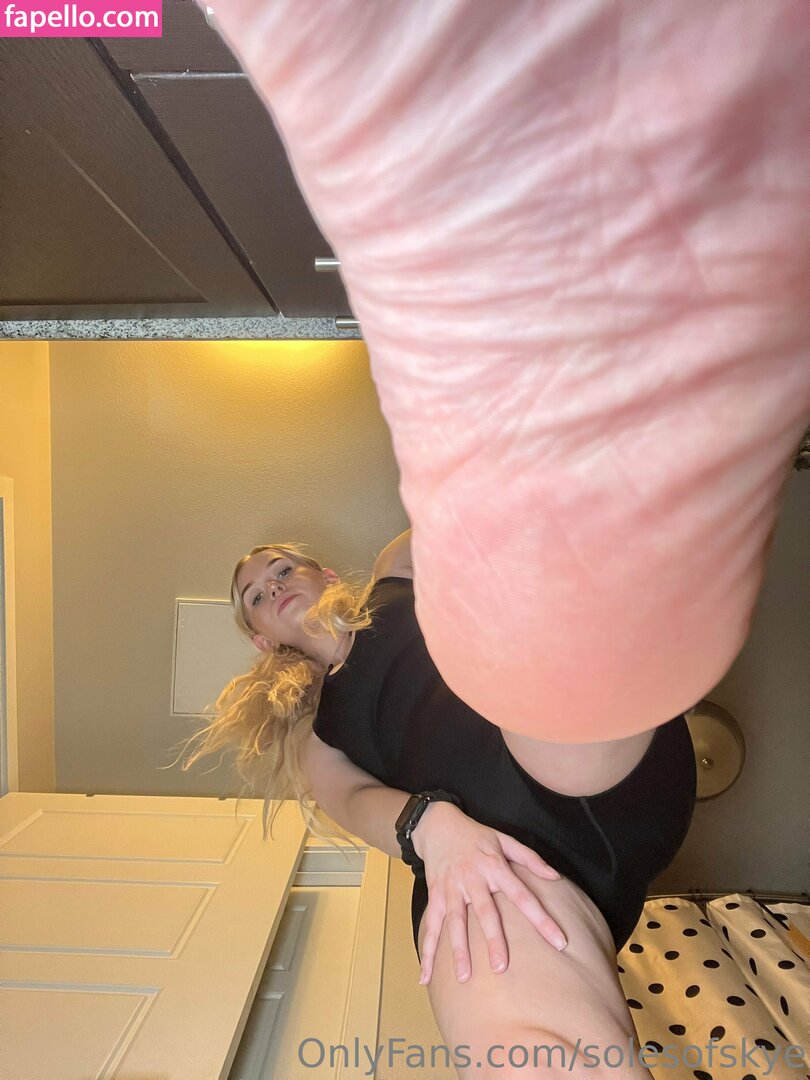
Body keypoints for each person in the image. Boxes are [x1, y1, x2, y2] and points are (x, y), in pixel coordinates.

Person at [179, 530, 696, 1079]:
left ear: (324, 576)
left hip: (568, 753)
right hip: (481, 857)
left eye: (282, 570)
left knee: (524, 601)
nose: (274, 588)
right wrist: (432, 828)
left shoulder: (393, 579)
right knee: (524, 1055)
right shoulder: (319, 736)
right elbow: (354, 801)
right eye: (256, 596)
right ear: (262, 640)